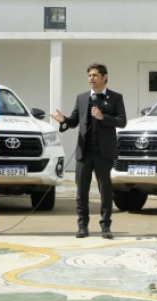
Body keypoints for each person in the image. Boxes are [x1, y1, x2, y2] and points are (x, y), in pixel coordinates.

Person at [51, 64, 127, 239]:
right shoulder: (82, 97)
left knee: (105, 191)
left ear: (104, 77)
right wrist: (64, 120)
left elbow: (122, 121)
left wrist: (103, 117)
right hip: (84, 153)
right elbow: (74, 120)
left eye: (95, 75)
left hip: (104, 153)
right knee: (81, 192)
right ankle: (82, 226)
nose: (91, 78)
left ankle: (106, 226)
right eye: (89, 75)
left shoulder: (115, 97)